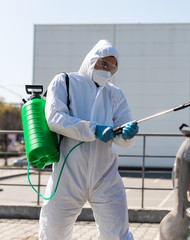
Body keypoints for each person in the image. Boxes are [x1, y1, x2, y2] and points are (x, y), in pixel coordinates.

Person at [39, 39, 138, 240]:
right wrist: (94, 129)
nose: (107, 70)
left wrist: (127, 133)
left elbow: (124, 138)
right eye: (103, 63)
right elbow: (55, 118)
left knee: (117, 234)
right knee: (53, 233)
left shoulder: (115, 94)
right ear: (91, 60)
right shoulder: (64, 82)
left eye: (112, 67)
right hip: (68, 175)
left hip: (105, 176)